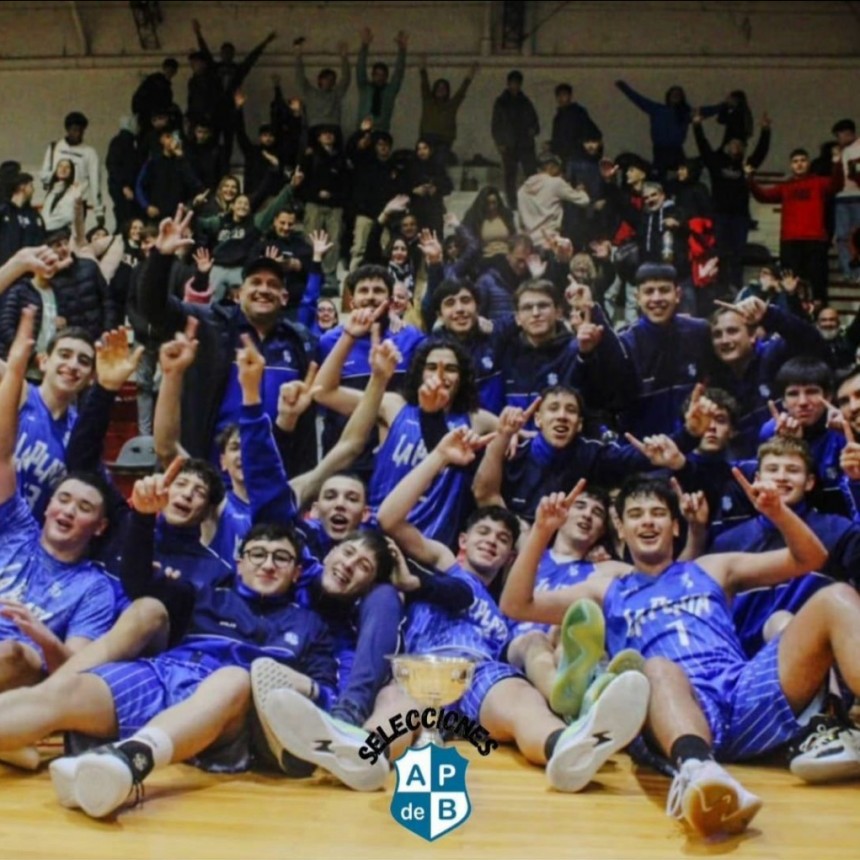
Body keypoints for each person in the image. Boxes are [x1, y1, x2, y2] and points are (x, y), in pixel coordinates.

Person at [499, 471, 851, 837]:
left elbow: (811, 558)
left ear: (676, 526)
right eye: (635, 514)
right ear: (621, 530)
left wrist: (779, 513)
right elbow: (516, 605)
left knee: (836, 599)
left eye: (658, 513)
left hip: (743, 689)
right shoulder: (606, 590)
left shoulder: (712, 567)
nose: (647, 521)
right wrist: (542, 530)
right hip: (675, 710)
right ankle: (699, 772)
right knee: (655, 667)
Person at [376, 426, 651, 793]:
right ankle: (364, 758)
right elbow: (389, 520)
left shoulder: (505, 609)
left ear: (511, 556)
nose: (492, 541)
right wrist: (439, 457)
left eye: (503, 538)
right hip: (423, 668)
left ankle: (569, 747)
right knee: (393, 706)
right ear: (463, 540)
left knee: (522, 699)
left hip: (478, 674)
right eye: (484, 533)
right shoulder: (445, 564)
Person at [128, 206, 318, 471]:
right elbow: (154, 308)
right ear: (239, 294)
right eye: (256, 282)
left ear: (284, 297)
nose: (264, 289)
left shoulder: (299, 341)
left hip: (274, 476)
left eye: (273, 284)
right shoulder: (209, 324)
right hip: (212, 475)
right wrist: (161, 258)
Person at [0, 308, 117, 692]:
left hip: (26, 545)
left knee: (17, 652)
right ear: (43, 360)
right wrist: (15, 364)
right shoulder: (21, 393)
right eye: (64, 354)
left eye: (84, 360)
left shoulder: (78, 433)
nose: (73, 365)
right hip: (12, 523)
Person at [747, 147, 844, 304]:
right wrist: (750, 178)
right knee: (789, 283)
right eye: (795, 161)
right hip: (790, 241)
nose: (799, 164)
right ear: (791, 165)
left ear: (808, 163)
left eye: (803, 161)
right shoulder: (786, 186)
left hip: (815, 239)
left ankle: (819, 312)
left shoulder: (819, 182)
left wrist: (837, 164)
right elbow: (762, 196)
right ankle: (792, 311)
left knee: (818, 282)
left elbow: (837, 185)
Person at [614, 81, 720, 176]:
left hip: (675, 150)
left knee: (681, 176)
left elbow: (706, 111)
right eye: (673, 94)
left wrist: (723, 106)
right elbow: (639, 99)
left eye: (678, 94)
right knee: (660, 176)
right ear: (668, 96)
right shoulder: (658, 109)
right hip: (660, 150)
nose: (675, 96)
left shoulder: (684, 113)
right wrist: (624, 87)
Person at [40, 112, 103, 223]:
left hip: (77, 202)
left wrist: (99, 211)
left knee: (74, 233)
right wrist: (56, 177)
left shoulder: (90, 153)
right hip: (55, 199)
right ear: (68, 129)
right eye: (74, 130)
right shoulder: (55, 147)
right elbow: (44, 174)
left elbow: (95, 183)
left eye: (81, 130)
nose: (77, 134)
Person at [517, 154, 589, 247]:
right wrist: (581, 190)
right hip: (550, 240)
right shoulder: (556, 183)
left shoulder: (522, 190)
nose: (561, 174)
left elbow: (520, 221)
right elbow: (584, 201)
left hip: (530, 242)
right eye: (558, 170)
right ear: (551, 167)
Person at [492, 71, 540, 209]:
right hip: (509, 144)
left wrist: (533, 130)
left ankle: (534, 202)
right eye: (512, 83)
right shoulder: (501, 102)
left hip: (525, 143)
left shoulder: (525, 102)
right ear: (508, 84)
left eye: (517, 83)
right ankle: (512, 203)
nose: (514, 86)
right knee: (510, 176)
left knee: (531, 174)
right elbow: (496, 125)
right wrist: (500, 142)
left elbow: (535, 122)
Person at [418, 57, 478, 168]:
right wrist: (422, 68)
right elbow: (424, 84)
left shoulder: (451, 105)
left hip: (444, 140)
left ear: (447, 91)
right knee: (423, 163)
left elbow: (461, 92)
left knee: (439, 161)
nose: (441, 90)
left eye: (444, 88)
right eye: (438, 87)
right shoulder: (428, 101)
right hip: (427, 137)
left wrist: (470, 74)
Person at [294, 39, 352, 137]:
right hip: (315, 127)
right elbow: (300, 77)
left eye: (332, 79)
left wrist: (344, 57)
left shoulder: (336, 94)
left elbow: (346, 79)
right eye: (326, 78)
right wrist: (298, 56)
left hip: (333, 126)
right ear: (320, 80)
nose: (329, 81)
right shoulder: (310, 92)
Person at [355, 28, 408, 132]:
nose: (380, 77)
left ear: (386, 77)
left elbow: (399, 73)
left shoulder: (390, 90)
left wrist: (402, 50)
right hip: (362, 129)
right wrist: (364, 45)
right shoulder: (365, 87)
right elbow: (360, 68)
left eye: (383, 75)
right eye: (377, 74)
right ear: (372, 75)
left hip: (382, 130)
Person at [832, 119, 860, 281]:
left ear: (847, 133)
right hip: (841, 197)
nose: (838, 139)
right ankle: (849, 271)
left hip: (858, 196)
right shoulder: (840, 151)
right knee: (842, 236)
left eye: (839, 135)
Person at [0, 174, 45, 265]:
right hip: (6, 265)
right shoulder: (4, 211)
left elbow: (41, 238)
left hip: (29, 266)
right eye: (31, 186)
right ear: (22, 187)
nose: (33, 190)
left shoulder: (34, 215)